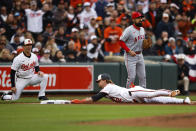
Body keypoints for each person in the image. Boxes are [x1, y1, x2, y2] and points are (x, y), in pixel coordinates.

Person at [71, 73, 191, 104]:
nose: (98, 82)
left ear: (105, 81)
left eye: (99, 81)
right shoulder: (106, 88)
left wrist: (81, 101)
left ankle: (170, 92)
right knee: (160, 100)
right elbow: (95, 97)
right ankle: (183, 101)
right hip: (134, 99)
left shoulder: (107, 87)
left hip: (132, 92)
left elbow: (95, 98)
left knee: (152, 94)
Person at [119, 12, 149, 88]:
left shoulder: (142, 29)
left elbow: (142, 41)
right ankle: (127, 94)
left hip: (140, 55)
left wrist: (146, 45)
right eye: (138, 18)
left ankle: (143, 95)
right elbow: (121, 41)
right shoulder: (129, 30)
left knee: (143, 76)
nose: (140, 19)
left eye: (141, 18)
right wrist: (129, 50)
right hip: (130, 56)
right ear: (133, 19)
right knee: (132, 77)